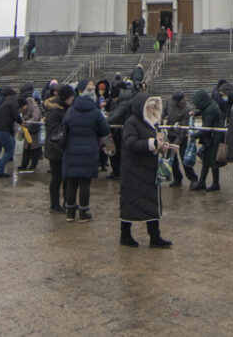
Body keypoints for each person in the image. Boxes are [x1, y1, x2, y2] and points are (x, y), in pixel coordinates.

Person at [119, 93, 173, 247]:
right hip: (133, 170)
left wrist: (162, 146)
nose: (151, 108)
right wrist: (151, 144)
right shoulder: (132, 122)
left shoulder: (152, 123)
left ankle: (155, 236)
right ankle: (125, 235)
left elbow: (153, 142)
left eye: (153, 105)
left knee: (151, 203)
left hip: (148, 169)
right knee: (130, 203)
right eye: (148, 105)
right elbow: (130, 143)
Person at [63, 83, 111, 222]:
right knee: (85, 182)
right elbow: (104, 130)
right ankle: (83, 212)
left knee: (72, 181)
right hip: (89, 150)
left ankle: (70, 212)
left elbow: (64, 126)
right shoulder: (95, 112)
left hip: (71, 149)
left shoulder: (71, 111)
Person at [43, 84, 75, 213]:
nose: (73, 98)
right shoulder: (55, 111)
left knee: (67, 177)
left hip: (63, 148)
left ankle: (68, 202)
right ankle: (54, 205)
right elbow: (54, 132)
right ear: (66, 97)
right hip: (56, 148)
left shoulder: (65, 108)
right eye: (71, 96)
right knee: (57, 178)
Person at [190, 89, 223, 191]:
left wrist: (193, 136)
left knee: (212, 160)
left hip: (215, 137)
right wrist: (196, 113)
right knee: (206, 159)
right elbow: (203, 110)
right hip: (213, 136)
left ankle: (215, 184)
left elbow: (205, 129)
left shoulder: (211, 110)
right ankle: (202, 182)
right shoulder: (210, 104)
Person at [162, 90, 195, 186]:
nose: (178, 103)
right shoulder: (169, 101)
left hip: (181, 135)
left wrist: (177, 143)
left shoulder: (187, 109)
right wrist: (160, 118)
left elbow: (184, 129)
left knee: (184, 158)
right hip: (170, 132)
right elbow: (164, 111)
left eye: (180, 101)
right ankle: (177, 178)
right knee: (171, 157)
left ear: (183, 99)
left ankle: (193, 178)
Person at [0, 88, 21, 178]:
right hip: (3, 130)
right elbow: (17, 116)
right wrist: (21, 121)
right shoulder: (13, 102)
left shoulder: (2, 103)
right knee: (9, 150)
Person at [19, 94, 43, 173]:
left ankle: (33, 164)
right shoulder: (24, 108)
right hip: (27, 130)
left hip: (34, 130)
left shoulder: (34, 107)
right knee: (26, 148)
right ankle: (24, 164)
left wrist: (27, 123)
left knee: (34, 149)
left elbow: (35, 118)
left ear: (24, 106)